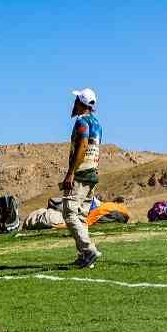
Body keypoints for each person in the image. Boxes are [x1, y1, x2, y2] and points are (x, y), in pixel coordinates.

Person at [60, 87, 103, 269]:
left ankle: (88, 250)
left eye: (76, 100)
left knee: (69, 214)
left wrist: (70, 173)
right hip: (93, 173)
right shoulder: (97, 123)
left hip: (81, 174)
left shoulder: (82, 122)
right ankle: (85, 258)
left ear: (81, 103)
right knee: (82, 216)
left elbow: (83, 145)